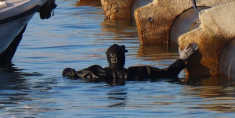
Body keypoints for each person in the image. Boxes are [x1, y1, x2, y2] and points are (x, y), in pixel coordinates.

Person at [62, 43, 198, 84]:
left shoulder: (94, 71)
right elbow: (169, 74)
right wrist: (182, 58)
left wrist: (69, 71)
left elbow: (67, 73)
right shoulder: (136, 72)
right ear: (122, 58)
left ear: (108, 58)